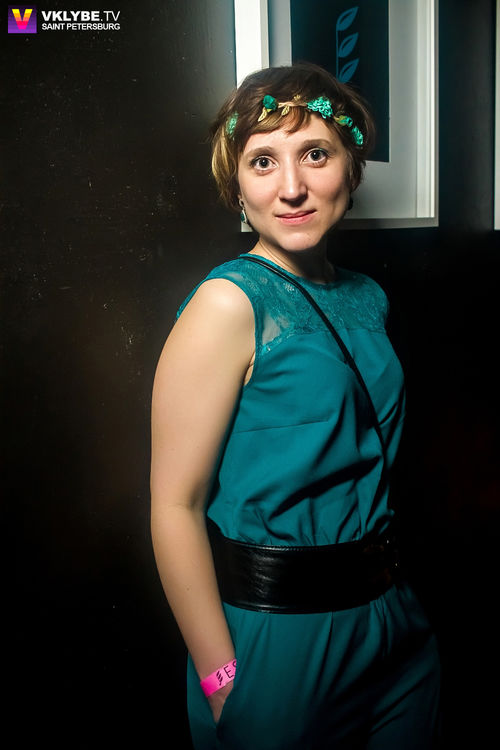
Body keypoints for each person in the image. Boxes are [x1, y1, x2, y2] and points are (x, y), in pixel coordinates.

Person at [150, 62, 441, 749]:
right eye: (262, 162)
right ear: (238, 187)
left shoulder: (368, 297)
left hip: (394, 625)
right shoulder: (228, 303)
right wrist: (223, 678)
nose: (291, 187)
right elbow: (174, 506)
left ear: (351, 169)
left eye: (315, 154)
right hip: (282, 641)